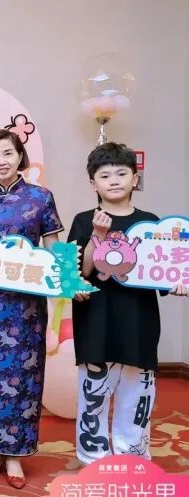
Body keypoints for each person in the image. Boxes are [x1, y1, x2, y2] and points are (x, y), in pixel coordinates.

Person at [68, 142, 188, 465]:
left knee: (136, 396)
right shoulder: (83, 221)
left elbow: (164, 273)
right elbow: (80, 274)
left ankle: (133, 457)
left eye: (121, 173)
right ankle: (92, 459)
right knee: (93, 395)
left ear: (135, 178)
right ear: (93, 183)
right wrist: (97, 234)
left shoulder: (151, 223)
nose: (114, 180)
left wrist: (178, 282)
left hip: (139, 321)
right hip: (96, 322)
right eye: (105, 175)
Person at [0, 129, 64, 489]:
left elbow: (53, 250)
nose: (1, 161)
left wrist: (63, 282)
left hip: (27, 306)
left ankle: (16, 455)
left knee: (24, 376)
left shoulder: (40, 197)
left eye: (7, 153)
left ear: (20, 156)